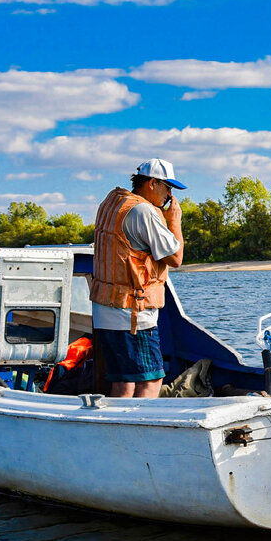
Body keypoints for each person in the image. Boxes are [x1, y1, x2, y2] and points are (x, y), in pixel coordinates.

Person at [91, 158, 186, 398]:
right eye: (168, 187)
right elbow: (175, 258)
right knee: (151, 379)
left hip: (106, 311)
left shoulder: (114, 204)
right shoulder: (143, 211)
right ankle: (142, 421)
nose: (170, 195)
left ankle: (116, 422)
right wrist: (174, 221)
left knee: (124, 382)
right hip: (131, 313)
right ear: (152, 183)